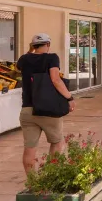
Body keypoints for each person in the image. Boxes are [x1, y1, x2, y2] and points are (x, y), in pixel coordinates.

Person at [16, 33, 75, 173]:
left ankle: (32, 182)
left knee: (30, 148)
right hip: (48, 110)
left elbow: (20, 66)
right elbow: (55, 79)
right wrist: (69, 97)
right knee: (57, 142)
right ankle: (51, 176)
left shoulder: (24, 59)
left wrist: (31, 51)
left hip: (27, 110)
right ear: (48, 44)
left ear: (33, 46)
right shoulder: (51, 58)